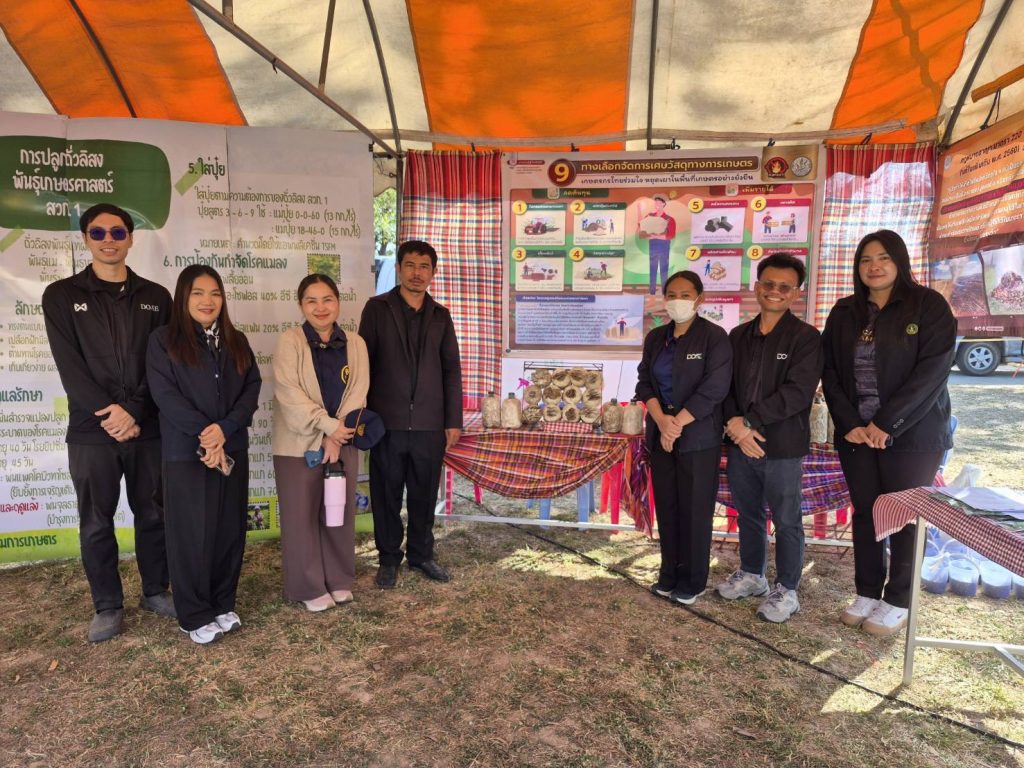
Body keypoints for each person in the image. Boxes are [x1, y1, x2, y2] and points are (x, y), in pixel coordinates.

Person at [42, 203, 175, 643]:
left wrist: (134, 411)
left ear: (131, 238)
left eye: (117, 232)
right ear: (85, 239)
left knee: (153, 513)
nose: (108, 240)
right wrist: (111, 413)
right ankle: (107, 606)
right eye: (97, 233)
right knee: (96, 522)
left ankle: (155, 591)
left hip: (147, 427)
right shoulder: (60, 295)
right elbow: (70, 366)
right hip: (90, 431)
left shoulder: (157, 296)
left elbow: (163, 365)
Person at [822, 230, 956, 637]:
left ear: (900, 261)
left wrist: (887, 423)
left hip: (913, 435)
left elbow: (932, 373)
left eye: (883, 257)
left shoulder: (928, 305)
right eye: (866, 259)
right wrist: (851, 424)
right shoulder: (845, 311)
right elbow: (829, 371)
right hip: (858, 435)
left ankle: (898, 599)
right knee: (866, 512)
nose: (874, 266)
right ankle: (867, 591)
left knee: (902, 515)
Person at [146, 266, 261, 644]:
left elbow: (251, 389)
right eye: (198, 293)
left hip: (232, 448)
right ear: (183, 297)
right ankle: (194, 614)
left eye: (215, 293)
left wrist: (225, 429)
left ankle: (222, 603)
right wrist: (207, 435)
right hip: (186, 453)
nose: (207, 301)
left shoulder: (236, 340)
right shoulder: (163, 340)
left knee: (229, 530)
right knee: (191, 534)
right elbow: (165, 396)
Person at [716, 253, 822, 623]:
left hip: (782, 446)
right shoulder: (738, 335)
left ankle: (787, 589)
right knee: (748, 512)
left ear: (796, 293)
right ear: (757, 287)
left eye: (784, 287)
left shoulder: (806, 338)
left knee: (786, 519)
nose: (775, 291)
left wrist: (748, 423)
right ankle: (752, 575)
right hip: (740, 443)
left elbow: (798, 392)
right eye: (769, 284)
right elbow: (724, 386)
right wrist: (735, 425)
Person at [359, 240, 463, 588]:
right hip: (385, 422)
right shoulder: (377, 309)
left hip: (430, 424)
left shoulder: (441, 316)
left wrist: (452, 420)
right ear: (399, 268)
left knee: (424, 493)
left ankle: (421, 554)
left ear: (433, 272)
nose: (417, 273)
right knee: (386, 493)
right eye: (410, 265)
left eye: (424, 267)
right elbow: (362, 365)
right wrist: (363, 417)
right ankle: (388, 558)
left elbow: (451, 370)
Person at [272, 274, 369, 612]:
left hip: (344, 442)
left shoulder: (355, 343)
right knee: (300, 517)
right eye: (311, 301)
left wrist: (337, 436)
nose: (320, 307)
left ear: (338, 302)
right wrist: (328, 429)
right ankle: (308, 586)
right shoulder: (290, 341)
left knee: (338, 513)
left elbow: (359, 391)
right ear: (301, 305)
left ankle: (339, 579)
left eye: (327, 299)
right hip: (298, 445)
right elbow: (288, 393)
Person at [636, 271, 732, 605]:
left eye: (686, 295)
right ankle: (668, 574)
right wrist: (662, 421)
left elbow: (715, 388)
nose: (678, 301)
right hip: (661, 431)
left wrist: (676, 424)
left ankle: (692, 580)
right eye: (672, 295)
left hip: (698, 434)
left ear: (700, 299)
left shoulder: (714, 337)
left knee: (695, 508)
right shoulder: (656, 337)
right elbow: (644, 383)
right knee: (668, 505)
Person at [638, 194, 677, 295]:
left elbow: (671, 235)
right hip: (653, 246)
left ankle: (664, 291)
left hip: (664, 247)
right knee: (652, 269)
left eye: (659, 202)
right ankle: (652, 291)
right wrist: (639, 210)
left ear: (664, 204)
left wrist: (655, 236)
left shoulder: (669, 219)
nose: (656, 204)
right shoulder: (649, 216)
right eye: (655, 202)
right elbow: (641, 228)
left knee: (664, 270)